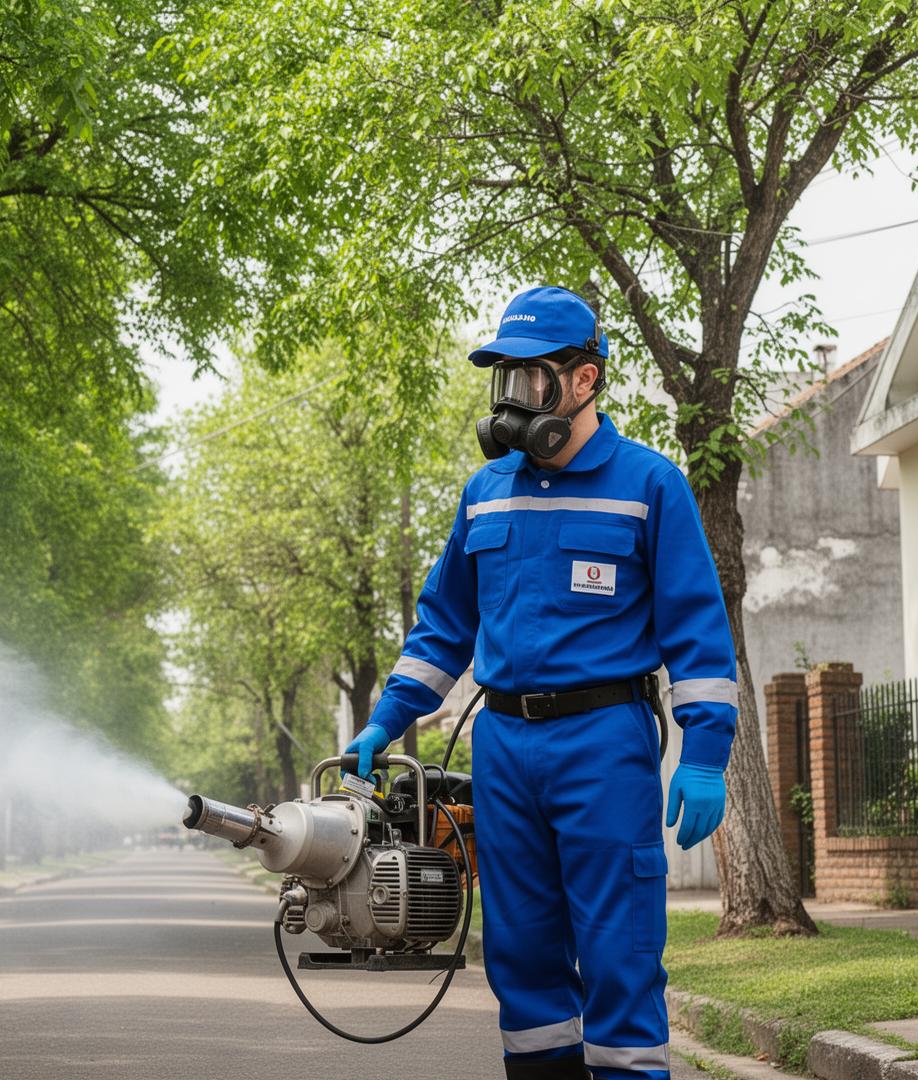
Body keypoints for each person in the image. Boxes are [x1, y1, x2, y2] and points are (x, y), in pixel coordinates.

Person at [344, 285, 736, 1080]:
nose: (513, 398)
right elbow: (443, 627)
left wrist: (705, 754)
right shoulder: (485, 494)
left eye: (531, 378)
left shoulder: (648, 483)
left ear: (584, 380)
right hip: (505, 748)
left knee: (618, 950)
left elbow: (699, 630)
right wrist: (387, 718)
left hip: (604, 744)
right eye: (504, 380)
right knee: (519, 954)